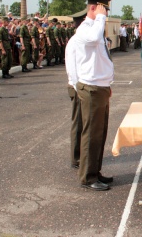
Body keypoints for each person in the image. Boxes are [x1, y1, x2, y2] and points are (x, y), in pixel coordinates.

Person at [66, 0, 115, 191]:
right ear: (93, 8)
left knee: (99, 134)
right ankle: (87, 176)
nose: (106, 14)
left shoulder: (95, 28)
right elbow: (94, 40)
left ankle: (95, 171)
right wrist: (100, 18)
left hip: (100, 87)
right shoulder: (86, 29)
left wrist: (108, 84)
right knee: (90, 134)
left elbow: (101, 59)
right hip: (92, 89)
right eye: (103, 9)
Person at [65, 9, 87, 170]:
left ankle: (80, 155)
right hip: (77, 87)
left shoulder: (78, 40)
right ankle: (76, 157)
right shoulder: (74, 42)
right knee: (78, 123)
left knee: (82, 122)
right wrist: (79, 88)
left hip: (80, 86)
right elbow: (72, 71)